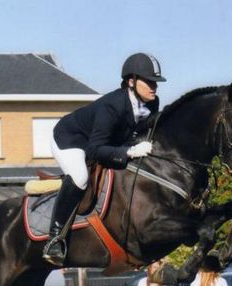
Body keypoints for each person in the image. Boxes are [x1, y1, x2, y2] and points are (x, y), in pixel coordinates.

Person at [43, 53, 166, 266]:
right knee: (80, 177)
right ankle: (55, 238)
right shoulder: (113, 105)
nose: (154, 87)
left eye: (155, 82)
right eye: (149, 81)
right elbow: (95, 150)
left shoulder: (152, 104)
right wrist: (129, 152)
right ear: (131, 81)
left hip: (104, 142)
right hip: (71, 139)